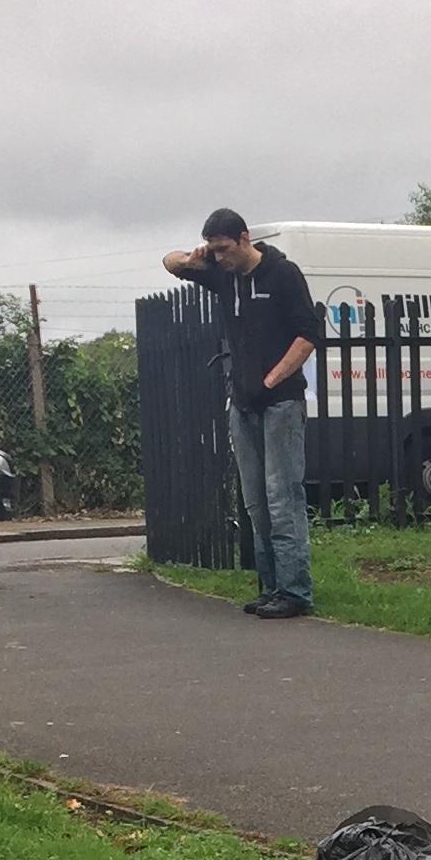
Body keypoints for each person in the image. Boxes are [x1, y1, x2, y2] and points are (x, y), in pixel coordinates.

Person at [162, 209, 324, 618]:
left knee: (282, 497)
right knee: (255, 502)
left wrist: (273, 379)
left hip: (281, 403)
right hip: (243, 406)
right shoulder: (222, 275)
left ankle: (294, 590)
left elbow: (309, 334)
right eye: (213, 250)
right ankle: (269, 586)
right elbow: (169, 262)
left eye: (224, 249)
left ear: (244, 238)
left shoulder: (283, 274)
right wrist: (195, 257)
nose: (220, 258)